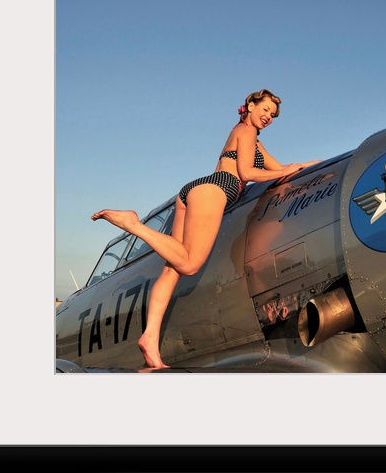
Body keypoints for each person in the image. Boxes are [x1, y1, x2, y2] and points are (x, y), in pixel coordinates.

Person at [91, 89, 320, 368]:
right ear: (250, 105)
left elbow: (286, 168)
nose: (268, 116)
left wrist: (317, 165)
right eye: (264, 109)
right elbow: (247, 174)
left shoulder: (251, 140)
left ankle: (149, 337)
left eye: (272, 114)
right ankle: (133, 224)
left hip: (195, 191)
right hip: (216, 190)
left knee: (171, 268)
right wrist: (285, 171)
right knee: (189, 265)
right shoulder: (246, 131)